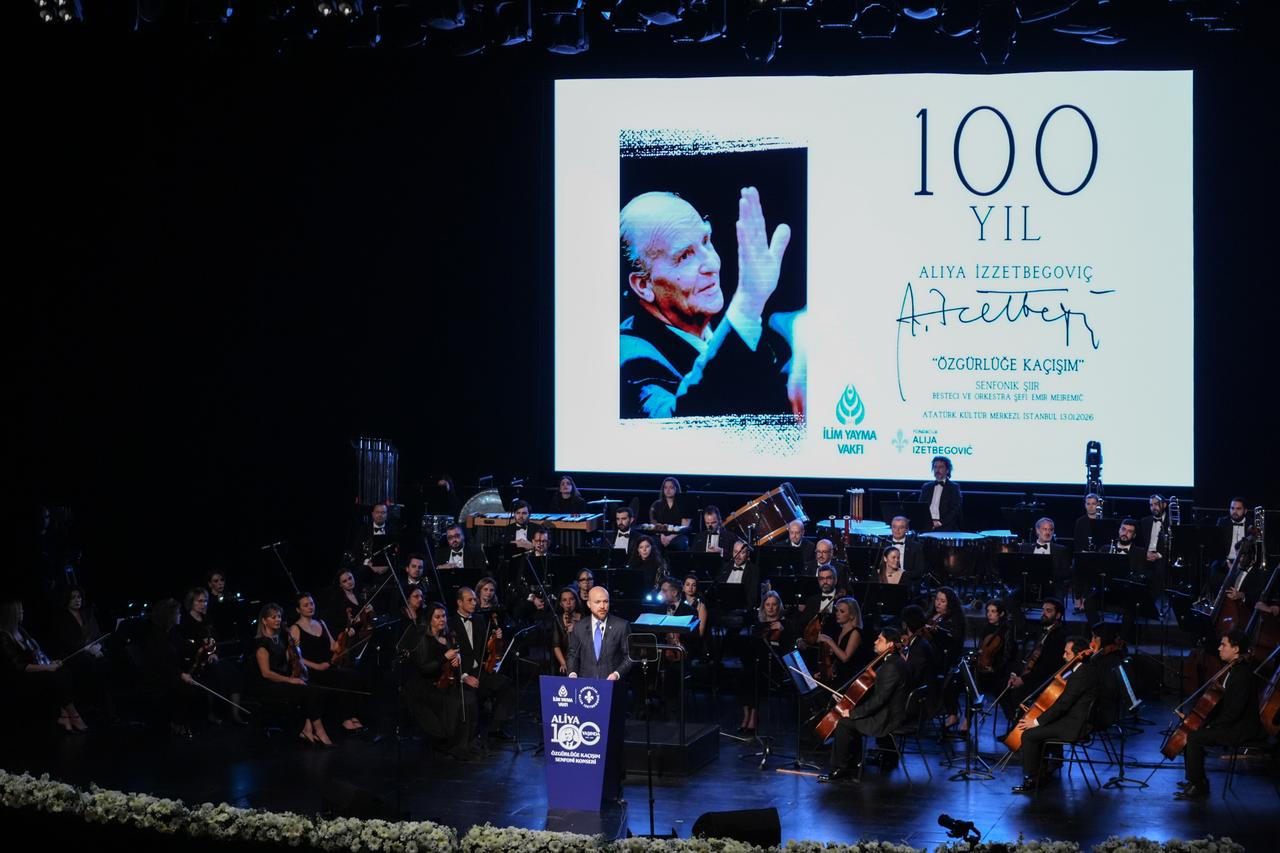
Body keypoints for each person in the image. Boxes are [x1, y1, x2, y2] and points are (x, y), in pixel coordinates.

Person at [618, 187, 801, 419]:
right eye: (685, 256)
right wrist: (747, 306)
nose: (712, 264)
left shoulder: (727, 332)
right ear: (643, 285)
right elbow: (676, 429)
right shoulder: (630, 360)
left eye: (706, 240)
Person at [1175, 630, 1265, 800]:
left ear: (1236, 649)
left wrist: (1209, 724)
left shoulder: (1241, 674)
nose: (1219, 648)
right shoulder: (1234, 668)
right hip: (1234, 724)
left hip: (1241, 728)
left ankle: (1199, 787)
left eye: (1224, 644)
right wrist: (1201, 719)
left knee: (1194, 738)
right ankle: (1197, 781)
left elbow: (1234, 712)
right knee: (1191, 730)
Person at [817, 627, 911, 783]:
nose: (875, 641)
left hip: (888, 718)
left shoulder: (890, 667)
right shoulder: (897, 661)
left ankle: (841, 769)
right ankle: (854, 763)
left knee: (844, 723)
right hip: (892, 711)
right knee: (851, 719)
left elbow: (879, 700)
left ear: (889, 645)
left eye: (880, 639)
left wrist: (853, 713)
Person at [1010, 634, 1099, 794]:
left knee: (1029, 735)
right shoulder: (1085, 670)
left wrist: (1036, 721)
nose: (1063, 656)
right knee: (1041, 729)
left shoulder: (1080, 675)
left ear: (1078, 655)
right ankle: (1042, 772)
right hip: (1074, 719)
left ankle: (1031, 778)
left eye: (1067, 653)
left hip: (1073, 725)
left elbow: (1063, 705)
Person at [248, 602, 328, 745]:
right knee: (309, 691)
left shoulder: (280, 640)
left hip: (281, 680)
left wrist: (295, 648)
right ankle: (320, 732)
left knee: (313, 688)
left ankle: (307, 728)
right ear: (264, 621)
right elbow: (266, 673)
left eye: (279, 616)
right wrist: (290, 680)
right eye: (273, 617)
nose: (278, 619)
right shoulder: (261, 644)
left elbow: (287, 661)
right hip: (267, 685)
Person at [0, 599, 83, 733]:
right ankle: (72, 714)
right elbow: (19, 667)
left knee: (64, 672)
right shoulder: (3, 636)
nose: (22, 611)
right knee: (55, 677)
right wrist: (47, 668)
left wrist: (49, 663)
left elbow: (37, 653)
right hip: (20, 677)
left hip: (35, 670)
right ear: (11, 613)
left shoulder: (21, 630)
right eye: (19, 609)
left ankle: (64, 714)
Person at [401, 603, 472, 760]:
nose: (442, 620)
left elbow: (452, 659)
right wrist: (444, 658)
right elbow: (424, 668)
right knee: (451, 704)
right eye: (437, 617)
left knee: (464, 701)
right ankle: (447, 743)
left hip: (442, 683)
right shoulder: (424, 639)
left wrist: (457, 658)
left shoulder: (447, 638)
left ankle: (459, 743)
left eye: (444, 616)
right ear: (430, 619)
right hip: (423, 687)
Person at [290, 592, 366, 734]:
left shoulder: (321, 623)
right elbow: (295, 656)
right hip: (310, 670)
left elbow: (333, 646)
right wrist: (317, 666)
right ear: (298, 610)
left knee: (354, 675)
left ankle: (351, 714)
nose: (310, 607)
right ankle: (345, 718)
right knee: (343, 678)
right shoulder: (295, 628)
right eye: (305, 605)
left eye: (311, 603)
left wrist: (346, 632)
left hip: (327, 666)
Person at [448, 587, 516, 744]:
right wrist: (464, 676)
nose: (474, 602)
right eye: (469, 600)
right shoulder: (450, 623)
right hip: (461, 674)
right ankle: (472, 733)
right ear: (459, 602)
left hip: (481, 671)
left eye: (474, 599)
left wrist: (496, 638)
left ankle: (495, 728)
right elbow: (448, 656)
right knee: (472, 694)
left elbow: (487, 647)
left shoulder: (479, 620)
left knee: (505, 684)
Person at [180, 586, 245, 725]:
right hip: (194, 661)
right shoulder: (184, 621)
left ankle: (235, 713)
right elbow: (184, 646)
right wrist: (200, 647)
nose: (203, 604)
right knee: (214, 673)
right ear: (191, 602)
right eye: (199, 601)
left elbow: (215, 641)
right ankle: (211, 712)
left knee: (234, 671)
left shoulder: (207, 619)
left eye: (205, 601)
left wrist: (215, 653)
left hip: (210, 658)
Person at [1001, 598, 1067, 725]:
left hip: (1045, 680)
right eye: (1043, 610)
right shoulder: (1042, 630)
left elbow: (1048, 666)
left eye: (1048, 611)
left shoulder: (1059, 635)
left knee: (1017, 693)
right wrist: (1016, 674)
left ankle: (1018, 730)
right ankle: (1015, 723)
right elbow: (1029, 657)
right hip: (1033, 674)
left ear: (1058, 615)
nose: (1044, 613)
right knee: (1003, 684)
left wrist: (1024, 679)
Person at [739, 590, 792, 735]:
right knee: (746, 674)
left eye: (774, 605)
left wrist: (781, 633)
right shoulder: (758, 626)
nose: (771, 608)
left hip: (774, 667)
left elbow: (786, 651)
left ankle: (753, 714)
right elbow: (752, 648)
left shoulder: (785, 624)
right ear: (763, 607)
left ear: (778, 606)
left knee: (753, 675)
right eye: (767, 604)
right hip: (757, 664)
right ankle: (747, 714)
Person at [567, 585, 633, 681]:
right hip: (586, 685)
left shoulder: (621, 626)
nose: (602, 606)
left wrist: (617, 674)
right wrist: (572, 673)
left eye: (605, 601)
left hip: (612, 686)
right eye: (597, 602)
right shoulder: (579, 627)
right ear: (589, 604)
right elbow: (573, 654)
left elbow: (630, 656)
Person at [816, 596, 868, 685]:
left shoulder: (856, 632)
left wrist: (830, 641)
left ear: (852, 615)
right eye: (837, 610)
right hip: (837, 676)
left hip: (848, 680)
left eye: (842, 611)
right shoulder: (839, 630)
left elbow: (845, 658)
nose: (837, 614)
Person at [1019, 517, 1071, 599]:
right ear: (1037, 530)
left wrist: (1049, 577)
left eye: (1051, 530)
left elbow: (1066, 572)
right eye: (1045, 529)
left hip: (1052, 588)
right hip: (1029, 588)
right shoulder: (1025, 548)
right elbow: (1020, 569)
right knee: (1010, 599)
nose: (1048, 532)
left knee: (1056, 602)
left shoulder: (1061, 550)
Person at [649, 476, 694, 550]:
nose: (668, 490)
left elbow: (684, 527)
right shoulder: (656, 505)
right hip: (660, 535)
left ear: (676, 488)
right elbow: (654, 523)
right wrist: (662, 535)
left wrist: (670, 537)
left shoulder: (685, 504)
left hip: (678, 535)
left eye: (671, 487)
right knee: (652, 543)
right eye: (665, 487)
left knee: (679, 544)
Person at [919, 455, 963, 531]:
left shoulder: (954, 487)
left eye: (941, 467)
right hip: (927, 525)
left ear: (947, 470)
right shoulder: (926, 487)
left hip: (946, 527)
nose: (937, 470)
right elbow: (920, 506)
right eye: (935, 467)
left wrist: (940, 522)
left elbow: (955, 510)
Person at [716, 540, 761, 609]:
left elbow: (753, 596)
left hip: (742, 610)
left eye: (742, 553)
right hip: (723, 608)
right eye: (735, 552)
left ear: (748, 554)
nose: (738, 556)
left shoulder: (754, 570)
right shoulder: (725, 567)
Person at [885, 516, 925, 587]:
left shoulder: (916, 547)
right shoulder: (883, 544)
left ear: (907, 529)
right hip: (886, 582)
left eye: (901, 527)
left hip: (907, 584)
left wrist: (900, 576)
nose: (897, 530)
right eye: (894, 527)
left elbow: (919, 571)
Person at [552, 587, 583, 675]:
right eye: (564, 600)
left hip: (581, 660)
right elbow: (556, 645)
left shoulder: (584, 619)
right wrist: (564, 663)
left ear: (576, 601)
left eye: (571, 599)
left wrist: (575, 630)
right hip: (564, 659)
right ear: (561, 604)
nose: (568, 603)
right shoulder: (558, 619)